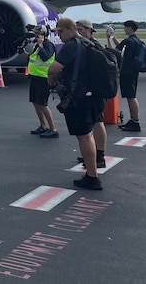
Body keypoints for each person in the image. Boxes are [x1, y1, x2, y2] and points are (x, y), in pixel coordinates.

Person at [47, 18, 104, 190]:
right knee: (89, 133)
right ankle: (93, 170)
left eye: (61, 32)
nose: (59, 35)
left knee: (84, 136)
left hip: (79, 97)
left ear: (71, 29)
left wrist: (51, 78)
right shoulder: (89, 44)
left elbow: (54, 68)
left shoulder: (71, 46)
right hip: (94, 95)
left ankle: (92, 177)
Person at [76, 19, 108, 167]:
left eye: (80, 30)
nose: (78, 33)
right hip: (92, 90)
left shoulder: (93, 47)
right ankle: (92, 153)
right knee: (92, 123)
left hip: (96, 91)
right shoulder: (86, 46)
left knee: (98, 122)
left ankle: (100, 156)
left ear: (89, 31)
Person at [107, 20, 143, 132]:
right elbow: (121, 47)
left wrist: (108, 38)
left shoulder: (130, 41)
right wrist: (113, 37)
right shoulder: (135, 40)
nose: (124, 29)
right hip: (133, 71)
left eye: (125, 27)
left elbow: (113, 51)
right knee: (131, 96)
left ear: (130, 28)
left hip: (127, 72)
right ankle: (133, 120)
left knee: (131, 97)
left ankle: (135, 121)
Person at [25, 25, 58, 138]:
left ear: (42, 35)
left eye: (36, 34)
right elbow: (33, 59)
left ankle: (53, 129)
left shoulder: (48, 45)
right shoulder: (38, 45)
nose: (34, 35)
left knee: (43, 104)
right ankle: (43, 125)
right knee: (35, 102)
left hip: (44, 78)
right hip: (35, 77)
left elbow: (45, 57)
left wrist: (40, 45)